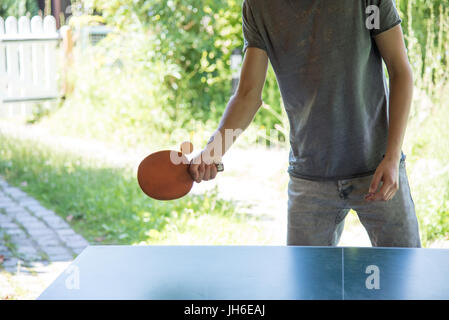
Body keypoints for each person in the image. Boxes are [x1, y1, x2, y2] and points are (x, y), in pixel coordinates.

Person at [189, 0, 421, 247]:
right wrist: (213, 151)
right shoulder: (258, 7)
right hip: (310, 178)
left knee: (404, 276)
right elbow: (247, 95)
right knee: (306, 286)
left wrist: (392, 157)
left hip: (378, 168)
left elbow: (400, 71)